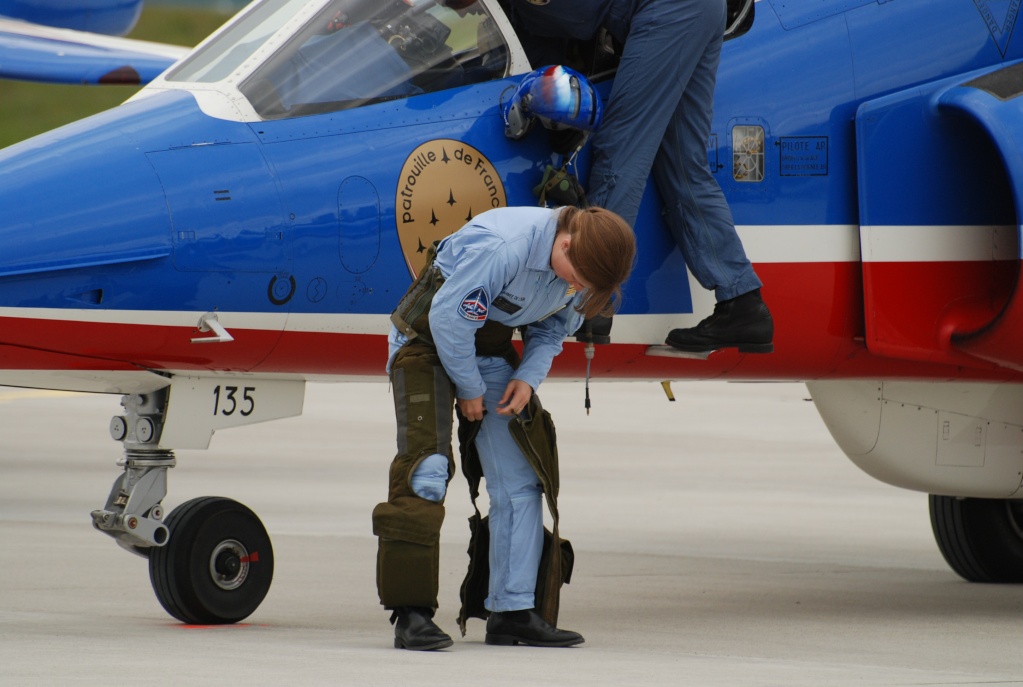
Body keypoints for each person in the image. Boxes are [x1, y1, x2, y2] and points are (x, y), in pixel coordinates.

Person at [373, 204, 635, 650]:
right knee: (427, 470)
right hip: (426, 342)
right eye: (576, 278)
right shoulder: (504, 246)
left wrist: (526, 379)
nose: (576, 288)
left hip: (487, 346)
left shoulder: (582, 268)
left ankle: (512, 611)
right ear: (565, 243)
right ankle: (411, 615)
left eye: (585, 286)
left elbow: (552, 331)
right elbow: (448, 320)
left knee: (521, 477)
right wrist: (470, 387)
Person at [501, 0, 774, 353]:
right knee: (681, 161)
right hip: (694, 10)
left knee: (621, 147)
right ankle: (743, 303)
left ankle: (592, 301)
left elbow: (576, 24)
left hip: (669, 10)